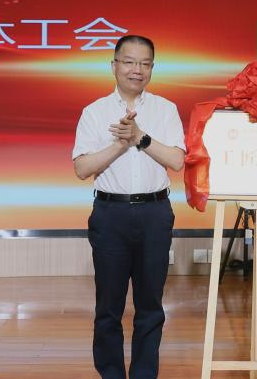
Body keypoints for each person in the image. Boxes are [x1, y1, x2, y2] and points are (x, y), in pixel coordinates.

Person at [72, 34, 186, 379]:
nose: (137, 70)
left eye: (145, 63)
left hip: (154, 213)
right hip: (111, 214)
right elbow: (82, 168)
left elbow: (177, 161)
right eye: (129, 62)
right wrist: (119, 145)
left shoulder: (166, 109)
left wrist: (140, 137)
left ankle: (143, 374)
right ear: (114, 65)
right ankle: (111, 373)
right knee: (108, 306)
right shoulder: (94, 112)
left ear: (152, 68)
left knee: (150, 305)